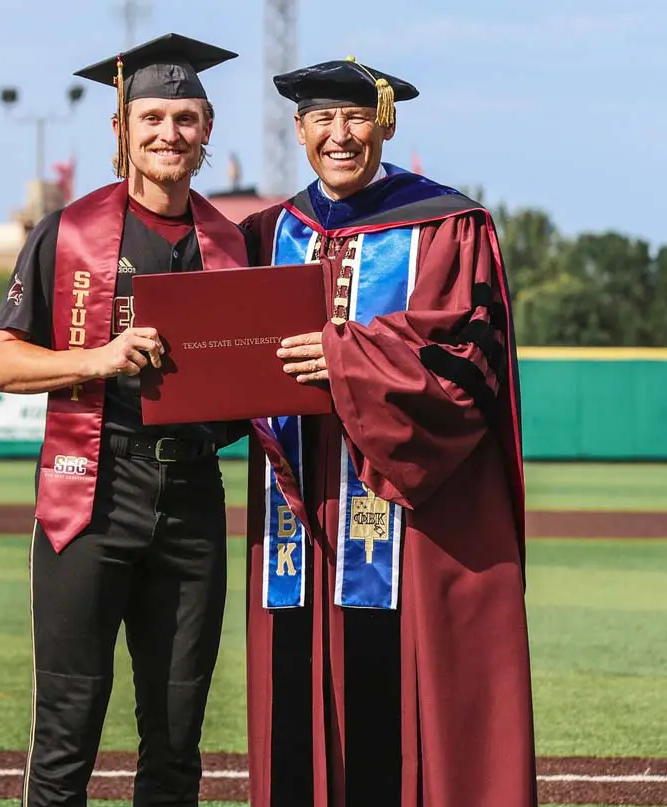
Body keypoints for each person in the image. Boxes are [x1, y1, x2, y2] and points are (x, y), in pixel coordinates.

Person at [239, 56, 538, 807]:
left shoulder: (445, 225)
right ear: (299, 130)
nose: (339, 135)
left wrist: (343, 357)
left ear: (384, 123)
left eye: (355, 118)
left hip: (403, 517)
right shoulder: (268, 232)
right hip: (300, 522)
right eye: (321, 121)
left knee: (404, 716)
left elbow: (467, 362)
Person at [0, 33, 250, 807]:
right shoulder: (66, 233)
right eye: (154, 116)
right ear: (121, 131)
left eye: (188, 118)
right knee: (67, 731)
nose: (171, 133)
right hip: (90, 490)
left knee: (176, 736)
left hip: (192, 493)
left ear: (206, 132)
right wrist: (96, 358)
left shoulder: (230, 242)